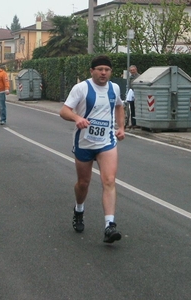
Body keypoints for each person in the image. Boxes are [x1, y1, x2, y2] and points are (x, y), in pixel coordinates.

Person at [59, 55, 125, 244]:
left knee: (109, 180)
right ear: (92, 71)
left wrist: (121, 127)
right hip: (84, 142)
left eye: (107, 69)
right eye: (100, 69)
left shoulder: (114, 88)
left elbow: (119, 106)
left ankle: (109, 225)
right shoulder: (81, 88)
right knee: (83, 183)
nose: (103, 73)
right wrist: (77, 118)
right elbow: (64, 110)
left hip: (106, 142)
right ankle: (79, 209)